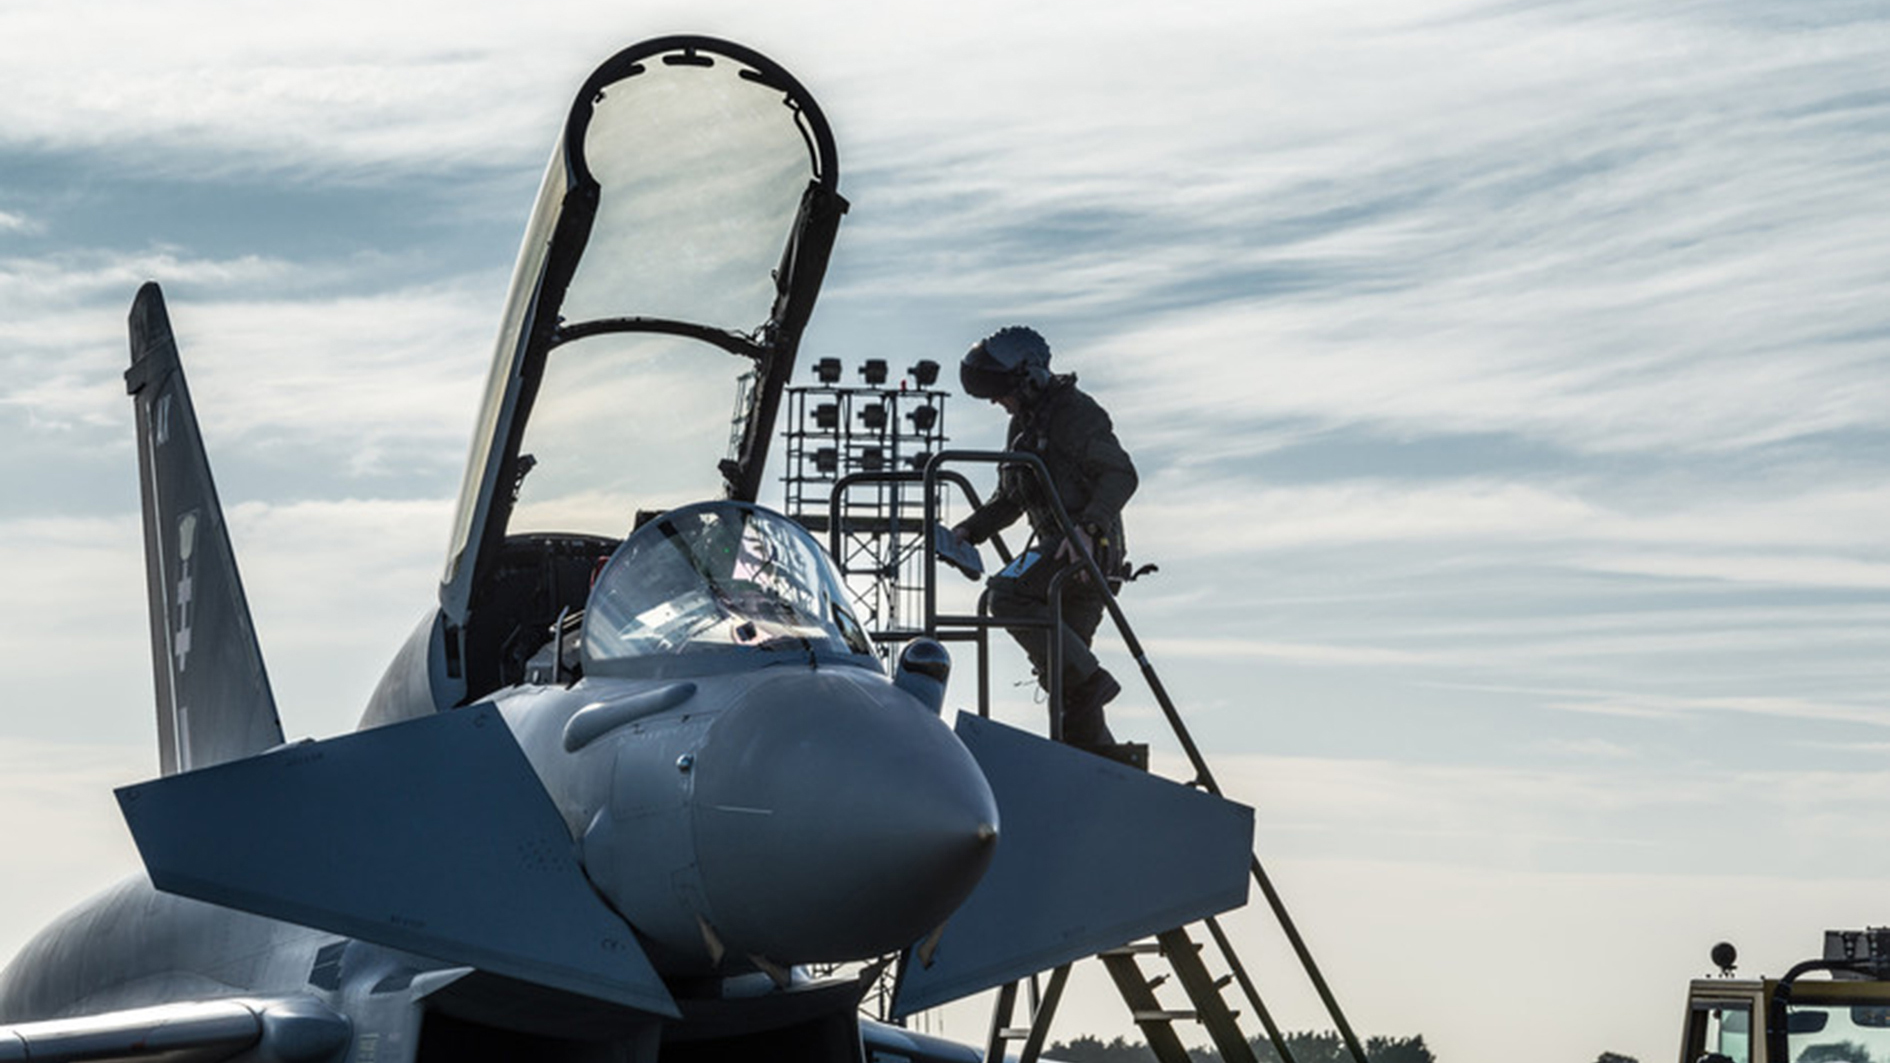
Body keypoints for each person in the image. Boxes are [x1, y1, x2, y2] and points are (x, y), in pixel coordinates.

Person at [951, 326, 1138, 751]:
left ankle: (1092, 682)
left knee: (1004, 594)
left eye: (1002, 392)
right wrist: (969, 531)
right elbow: (1011, 498)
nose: (997, 403)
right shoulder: (1023, 424)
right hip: (1059, 552)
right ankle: (1104, 763)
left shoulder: (1077, 414)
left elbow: (1120, 474)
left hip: (1086, 549)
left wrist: (1088, 529)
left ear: (1029, 379)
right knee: (1064, 685)